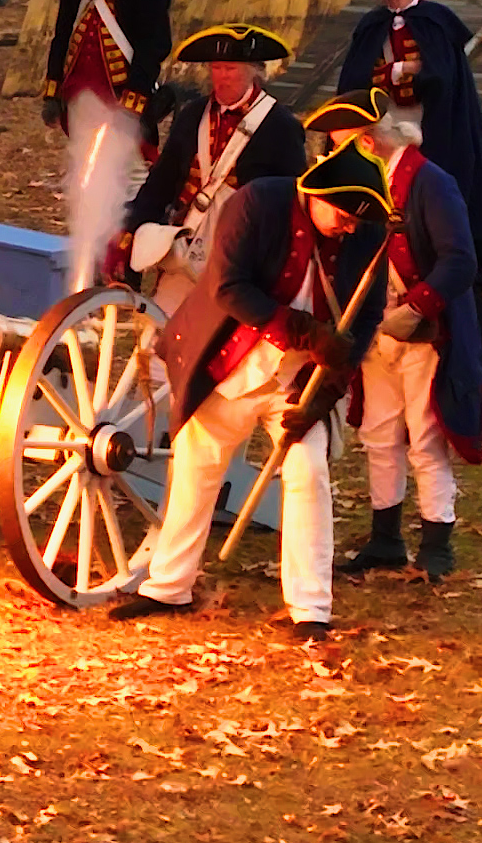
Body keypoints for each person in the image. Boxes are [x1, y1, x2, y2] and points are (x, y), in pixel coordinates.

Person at [106, 148, 392, 642]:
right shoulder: (257, 203)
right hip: (231, 359)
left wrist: (334, 380)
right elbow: (229, 289)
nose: (348, 229)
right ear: (318, 196)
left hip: (302, 378)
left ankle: (310, 608)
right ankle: (169, 587)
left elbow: (364, 317)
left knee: (309, 472)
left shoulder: (365, 235)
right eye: (343, 217)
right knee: (197, 468)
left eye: (354, 222)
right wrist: (302, 330)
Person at [301, 91, 482, 581]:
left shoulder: (430, 181)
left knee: (425, 437)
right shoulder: (357, 183)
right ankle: (385, 539)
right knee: (380, 433)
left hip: (423, 331)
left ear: (368, 141)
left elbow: (460, 260)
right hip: (373, 328)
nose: (335, 155)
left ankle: (436, 541)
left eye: (343, 145)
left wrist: (417, 306)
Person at [332, 0, 482, 286]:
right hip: (380, 126)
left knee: (429, 198)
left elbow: (442, 78)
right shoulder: (370, 25)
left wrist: (401, 72)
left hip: (432, 125)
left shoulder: (437, 21)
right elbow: (355, 80)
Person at [39, 0, 174, 294]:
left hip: (122, 97)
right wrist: (53, 88)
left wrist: (134, 98)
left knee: (129, 180)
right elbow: (63, 32)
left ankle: (124, 262)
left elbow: (156, 43)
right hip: (82, 93)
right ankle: (92, 256)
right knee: (86, 176)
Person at [113, 23, 303, 295]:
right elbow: (162, 182)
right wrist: (133, 231)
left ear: (253, 72)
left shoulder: (280, 125)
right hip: (184, 242)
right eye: (216, 68)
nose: (221, 78)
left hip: (240, 254)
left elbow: (289, 203)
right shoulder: (193, 115)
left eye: (230, 69)